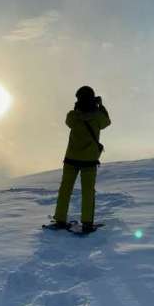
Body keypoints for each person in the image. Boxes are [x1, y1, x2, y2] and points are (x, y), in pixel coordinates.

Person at [52, 85, 111, 232]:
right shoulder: (97, 116)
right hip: (89, 161)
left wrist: (77, 107)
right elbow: (107, 122)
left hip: (71, 159)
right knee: (88, 192)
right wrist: (100, 106)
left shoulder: (73, 116)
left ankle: (59, 220)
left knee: (65, 190)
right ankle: (87, 223)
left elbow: (68, 121)